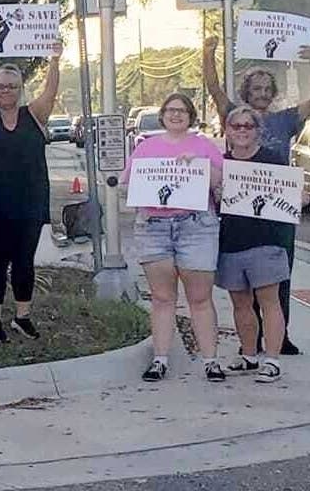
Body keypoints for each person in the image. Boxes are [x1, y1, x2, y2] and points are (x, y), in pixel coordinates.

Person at [203, 37, 310, 354]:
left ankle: (281, 337)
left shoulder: (286, 119)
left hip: (277, 210)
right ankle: (252, 340)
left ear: (273, 93)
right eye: (256, 88)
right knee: (244, 281)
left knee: (280, 276)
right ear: (246, 92)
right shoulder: (235, 115)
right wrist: (208, 54)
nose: (262, 93)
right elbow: (213, 88)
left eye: (266, 89)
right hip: (239, 209)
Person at [121, 93, 225, 382]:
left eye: (182, 110)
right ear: (163, 115)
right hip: (154, 227)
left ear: (191, 116)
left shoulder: (204, 145)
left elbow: (221, 181)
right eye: (170, 110)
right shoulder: (146, 147)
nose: (176, 114)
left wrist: (200, 165)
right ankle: (160, 360)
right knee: (162, 297)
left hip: (196, 226)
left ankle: (211, 361)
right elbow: (128, 181)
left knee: (200, 297)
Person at [0, 44, 60, 342]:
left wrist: (55, 61)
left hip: (29, 203)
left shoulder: (35, 115)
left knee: (24, 260)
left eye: (11, 86)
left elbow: (50, 92)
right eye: (0, 86)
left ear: (20, 89)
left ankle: (22, 316)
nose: (5, 91)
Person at [215, 106, 296, 383]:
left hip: (267, 242)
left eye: (248, 126)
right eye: (236, 126)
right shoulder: (221, 164)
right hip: (231, 242)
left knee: (269, 301)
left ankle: (272, 360)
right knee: (240, 303)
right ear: (227, 131)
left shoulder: (272, 160)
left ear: (257, 131)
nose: (242, 131)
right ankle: (249, 356)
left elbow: (288, 197)